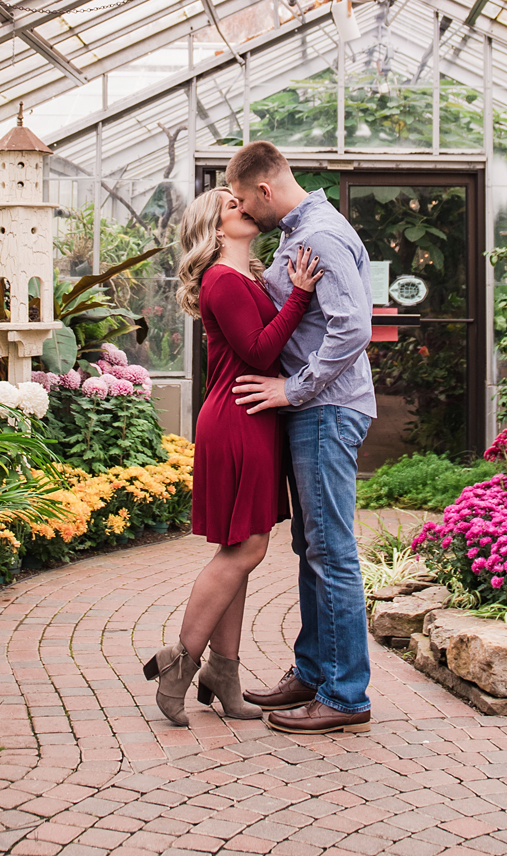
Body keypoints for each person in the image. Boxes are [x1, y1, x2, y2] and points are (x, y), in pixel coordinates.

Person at [143, 187, 324, 726]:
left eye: (242, 199)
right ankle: (181, 661)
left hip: (253, 417)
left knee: (241, 547)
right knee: (246, 549)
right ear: (216, 230)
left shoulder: (246, 277)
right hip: (238, 419)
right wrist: (299, 296)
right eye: (230, 204)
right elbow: (261, 351)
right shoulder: (221, 279)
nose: (244, 206)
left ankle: (224, 672)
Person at [227, 140, 377, 735]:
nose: (243, 211)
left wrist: (294, 390)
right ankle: (314, 672)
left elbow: (353, 327)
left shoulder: (320, 235)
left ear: (264, 190)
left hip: (326, 410)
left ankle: (345, 696)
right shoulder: (299, 232)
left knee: (331, 550)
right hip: (316, 410)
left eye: (242, 201)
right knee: (311, 549)